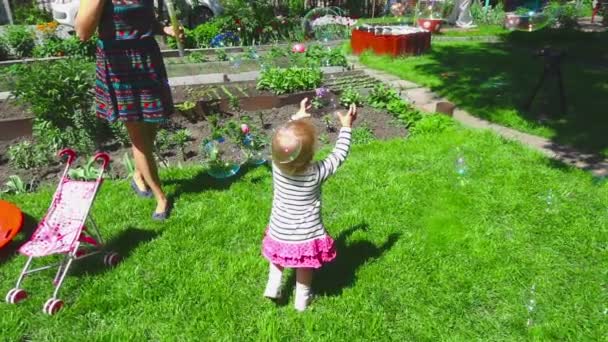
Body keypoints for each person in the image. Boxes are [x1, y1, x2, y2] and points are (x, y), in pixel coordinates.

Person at [75, 0, 182, 220]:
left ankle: (138, 175)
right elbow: (82, 33)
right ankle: (161, 198)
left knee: (153, 121)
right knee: (138, 137)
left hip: (147, 59)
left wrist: (165, 29)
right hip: (119, 65)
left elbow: (147, 22)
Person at [262, 98, 357, 311]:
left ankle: (273, 285)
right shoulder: (316, 172)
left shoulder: (278, 167)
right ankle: (302, 300)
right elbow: (339, 155)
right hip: (306, 233)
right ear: (310, 154)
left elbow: (280, 143)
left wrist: (296, 117)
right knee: (304, 265)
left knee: (277, 257)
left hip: (280, 227)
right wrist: (346, 127)